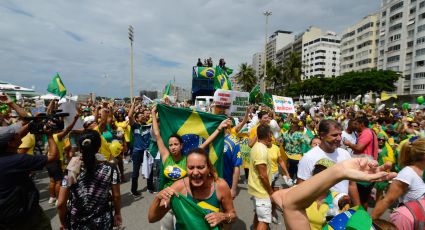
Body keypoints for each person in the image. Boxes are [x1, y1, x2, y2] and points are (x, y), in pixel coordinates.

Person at [151, 106, 228, 230]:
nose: (173, 147)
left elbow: (206, 143)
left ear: (181, 146)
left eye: (176, 144)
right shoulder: (166, 157)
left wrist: (219, 129)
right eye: (170, 145)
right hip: (167, 201)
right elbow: (157, 134)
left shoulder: (188, 159)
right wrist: (153, 114)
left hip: (183, 202)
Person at [271, 158, 396, 229]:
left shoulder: (340, 199)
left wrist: (339, 172)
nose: (320, 176)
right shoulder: (305, 194)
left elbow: (291, 204)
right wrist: (339, 172)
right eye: (318, 172)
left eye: (324, 173)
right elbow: (280, 197)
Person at [0, 95, 59, 229]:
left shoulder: (6, 148)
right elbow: (53, 156)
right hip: (24, 216)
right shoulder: (17, 160)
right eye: (14, 135)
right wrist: (49, 135)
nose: (18, 134)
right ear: (10, 143)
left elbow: (24, 125)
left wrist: (11, 104)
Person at [148, 148, 236, 229]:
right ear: (186, 168)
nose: (195, 172)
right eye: (191, 168)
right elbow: (152, 218)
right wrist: (157, 198)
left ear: (208, 168)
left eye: (200, 167)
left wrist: (222, 216)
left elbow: (233, 216)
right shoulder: (178, 188)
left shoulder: (220, 186)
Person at [57, 130, 122, 229]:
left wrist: (63, 222)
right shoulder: (111, 168)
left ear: (80, 147)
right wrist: (117, 213)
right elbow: (116, 196)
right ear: (99, 146)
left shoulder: (71, 170)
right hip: (102, 221)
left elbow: (61, 203)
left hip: (77, 223)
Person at [297, 119, 361, 206]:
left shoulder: (345, 154)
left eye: (340, 134)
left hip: (343, 211)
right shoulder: (309, 158)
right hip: (320, 212)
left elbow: (351, 184)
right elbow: (301, 189)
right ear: (322, 135)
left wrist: (358, 208)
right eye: (334, 135)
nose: (339, 138)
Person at [371, 137, 425, 220]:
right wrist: (366, 225)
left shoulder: (422, 172)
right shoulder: (407, 174)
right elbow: (387, 201)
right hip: (408, 223)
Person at [248, 124, 273, 230]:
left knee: (259, 216)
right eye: (270, 135)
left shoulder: (257, 146)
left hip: (256, 190)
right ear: (268, 135)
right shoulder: (261, 150)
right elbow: (263, 175)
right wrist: (271, 192)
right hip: (261, 192)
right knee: (264, 221)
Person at [128, 97, 152, 197]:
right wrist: (134, 104)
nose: (142, 116)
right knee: (135, 172)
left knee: (149, 169)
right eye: (140, 115)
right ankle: (134, 190)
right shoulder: (135, 126)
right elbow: (129, 116)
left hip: (147, 152)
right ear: (137, 119)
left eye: (143, 115)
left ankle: (150, 187)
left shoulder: (149, 126)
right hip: (137, 152)